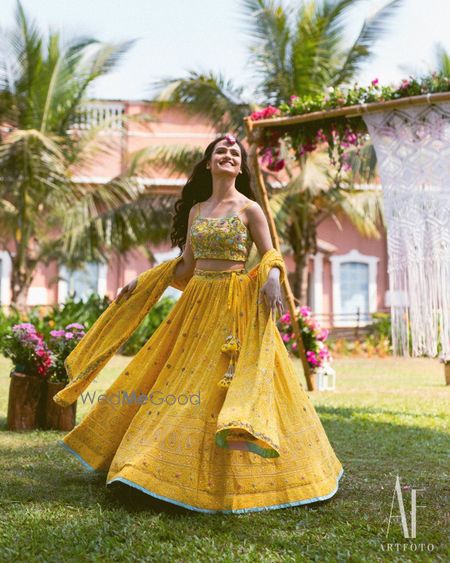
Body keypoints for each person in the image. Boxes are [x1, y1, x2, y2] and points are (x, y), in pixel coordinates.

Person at [54, 133, 344, 514]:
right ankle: (147, 470)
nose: (228, 155)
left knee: (222, 386)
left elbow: (271, 251)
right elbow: (187, 265)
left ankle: (244, 478)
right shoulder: (197, 211)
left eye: (234, 153)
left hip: (235, 306)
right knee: (178, 383)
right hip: (196, 307)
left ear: (239, 167)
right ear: (209, 164)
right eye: (220, 151)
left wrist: (271, 277)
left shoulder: (250, 208)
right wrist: (142, 282)